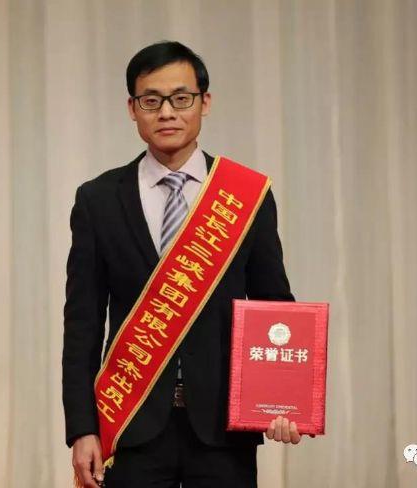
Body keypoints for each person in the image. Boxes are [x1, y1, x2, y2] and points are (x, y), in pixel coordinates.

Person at [63, 41, 305, 488]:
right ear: (132, 109)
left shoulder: (245, 195)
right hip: (132, 424)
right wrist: (82, 428)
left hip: (222, 429)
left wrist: (283, 400)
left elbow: (274, 309)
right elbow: (82, 324)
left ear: (204, 102)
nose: (167, 113)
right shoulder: (98, 200)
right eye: (151, 101)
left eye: (181, 98)